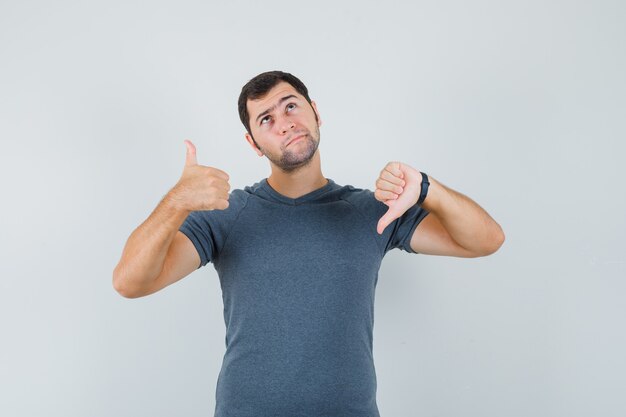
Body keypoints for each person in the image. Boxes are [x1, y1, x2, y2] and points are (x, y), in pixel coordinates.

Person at [113, 70, 505, 417]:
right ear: (253, 142)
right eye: (266, 119)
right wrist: (176, 202)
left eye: (291, 107)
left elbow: (485, 240)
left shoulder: (372, 211)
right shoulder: (225, 214)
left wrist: (425, 188)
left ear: (315, 112)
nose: (284, 123)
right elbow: (130, 282)